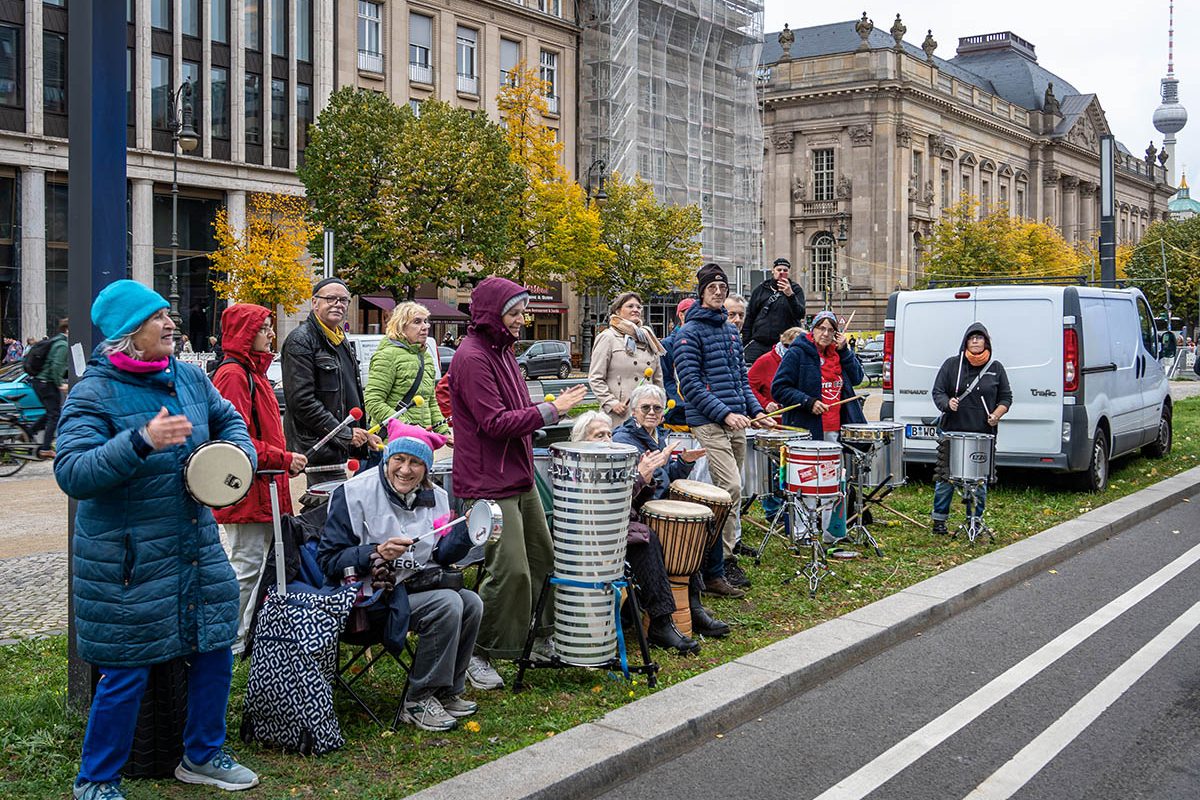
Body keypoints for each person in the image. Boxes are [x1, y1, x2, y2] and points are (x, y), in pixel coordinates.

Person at [55, 280, 259, 800]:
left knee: (216, 648)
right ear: (128, 334)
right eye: (158, 318)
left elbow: (231, 423)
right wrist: (140, 440)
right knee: (125, 671)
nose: (171, 324)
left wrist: (235, 462)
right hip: (130, 560)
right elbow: (74, 473)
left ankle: (203, 755)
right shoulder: (93, 392)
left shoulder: (189, 377)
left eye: (169, 313)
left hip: (196, 547)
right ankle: (96, 779)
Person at [449, 277, 587, 689]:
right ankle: (482, 651)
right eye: (514, 312)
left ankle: (540, 637)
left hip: (518, 476)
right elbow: (493, 423)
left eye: (522, 311)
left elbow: (518, 409)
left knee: (544, 560)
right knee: (510, 571)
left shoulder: (504, 352)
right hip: (487, 483)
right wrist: (550, 409)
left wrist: (545, 414)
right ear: (493, 313)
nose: (522, 319)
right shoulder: (472, 358)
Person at [318, 423, 481, 731]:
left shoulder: (437, 496)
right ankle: (418, 700)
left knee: (470, 602)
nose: (406, 470)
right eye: (399, 459)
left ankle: (446, 691)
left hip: (410, 589)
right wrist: (374, 552)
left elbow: (440, 554)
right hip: (364, 600)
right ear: (387, 458)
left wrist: (467, 532)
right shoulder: (354, 492)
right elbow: (328, 561)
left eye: (416, 462)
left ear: (427, 468)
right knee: (447, 603)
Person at [674, 263, 775, 598]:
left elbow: (739, 381)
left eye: (723, 288)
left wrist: (756, 411)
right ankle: (714, 562)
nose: (719, 293)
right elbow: (690, 385)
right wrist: (726, 414)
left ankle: (724, 557)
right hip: (708, 420)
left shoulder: (731, 332)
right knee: (728, 488)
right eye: (712, 288)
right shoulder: (689, 333)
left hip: (735, 418)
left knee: (735, 490)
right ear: (701, 292)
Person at [211, 304, 308, 654]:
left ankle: (247, 636)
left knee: (267, 565)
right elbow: (235, 439)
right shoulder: (234, 375)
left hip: (266, 486)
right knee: (246, 566)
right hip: (247, 489)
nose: (271, 334)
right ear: (245, 333)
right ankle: (229, 640)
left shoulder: (256, 373)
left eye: (270, 327)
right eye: (264, 328)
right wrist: (282, 459)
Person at [572, 410, 701, 653]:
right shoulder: (578, 466)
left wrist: (647, 479)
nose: (608, 440)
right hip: (597, 538)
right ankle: (661, 623)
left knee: (673, 534)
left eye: (609, 434)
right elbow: (605, 508)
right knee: (646, 541)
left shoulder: (614, 462)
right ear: (581, 441)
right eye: (599, 435)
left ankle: (692, 607)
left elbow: (633, 503)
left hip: (621, 530)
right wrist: (640, 477)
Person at [612, 386, 730, 639]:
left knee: (701, 521)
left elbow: (667, 478)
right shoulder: (624, 440)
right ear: (633, 411)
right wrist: (645, 473)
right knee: (681, 529)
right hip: (639, 510)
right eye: (645, 407)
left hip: (659, 507)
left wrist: (684, 463)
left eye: (657, 408)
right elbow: (631, 487)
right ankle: (666, 617)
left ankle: (693, 603)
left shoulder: (657, 436)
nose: (652, 412)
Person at [771, 310, 866, 558]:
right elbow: (779, 388)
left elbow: (857, 377)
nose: (825, 334)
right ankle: (803, 534)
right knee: (807, 483)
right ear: (812, 330)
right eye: (820, 328)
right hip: (807, 429)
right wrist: (808, 401)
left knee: (832, 483)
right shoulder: (798, 352)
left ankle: (830, 534)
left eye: (830, 330)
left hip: (834, 429)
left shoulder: (839, 354)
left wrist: (846, 351)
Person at [282, 277, 380, 504]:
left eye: (344, 300)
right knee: (328, 510)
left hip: (336, 444)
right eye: (331, 299)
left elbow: (346, 396)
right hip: (319, 447)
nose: (338, 304)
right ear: (315, 303)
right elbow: (302, 401)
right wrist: (345, 434)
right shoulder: (301, 340)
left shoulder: (339, 338)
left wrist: (361, 435)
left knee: (339, 509)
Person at [930, 323, 1012, 535]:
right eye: (971, 337)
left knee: (978, 481)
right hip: (952, 431)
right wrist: (948, 404)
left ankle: (975, 521)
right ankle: (939, 522)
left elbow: (1006, 397)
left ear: (987, 342)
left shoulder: (996, 368)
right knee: (946, 479)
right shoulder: (951, 365)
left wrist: (996, 415)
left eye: (979, 337)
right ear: (965, 342)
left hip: (982, 433)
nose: (975, 341)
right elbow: (938, 391)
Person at [365, 301, 452, 445]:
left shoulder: (425, 357)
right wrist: (407, 426)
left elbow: (430, 401)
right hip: (392, 442)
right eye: (417, 322)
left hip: (421, 440)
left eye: (425, 321)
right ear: (401, 326)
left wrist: (443, 432)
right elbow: (373, 401)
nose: (425, 326)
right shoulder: (387, 355)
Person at [588, 292, 665, 427]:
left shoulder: (648, 337)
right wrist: (611, 402)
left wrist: (660, 407)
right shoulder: (608, 337)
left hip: (647, 413)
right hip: (620, 412)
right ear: (618, 310)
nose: (636, 310)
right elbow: (595, 377)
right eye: (630, 306)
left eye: (638, 307)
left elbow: (657, 380)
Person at [743, 258, 806, 364]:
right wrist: (746, 342)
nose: (782, 273)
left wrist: (790, 295)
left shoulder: (796, 290)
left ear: (789, 272)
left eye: (785, 270)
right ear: (773, 271)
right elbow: (750, 316)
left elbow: (800, 313)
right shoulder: (761, 289)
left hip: (785, 343)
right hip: (760, 343)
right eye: (779, 270)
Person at [31, 318, 69, 460]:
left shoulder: (55, 341)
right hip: (47, 382)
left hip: (40, 381)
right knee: (55, 415)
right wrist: (60, 384)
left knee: (51, 412)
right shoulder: (62, 345)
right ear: (67, 330)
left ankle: (28, 432)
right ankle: (46, 448)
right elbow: (56, 366)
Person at [748, 326, 803, 413]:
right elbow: (748, 386)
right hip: (774, 420)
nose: (791, 351)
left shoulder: (809, 362)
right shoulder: (765, 361)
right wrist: (765, 403)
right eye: (787, 346)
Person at [661, 297, 695, 428]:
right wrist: (679, 403)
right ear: (681, 315)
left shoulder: (700, 340)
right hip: (676, 415)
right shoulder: (667, 344)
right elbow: (665, 378)